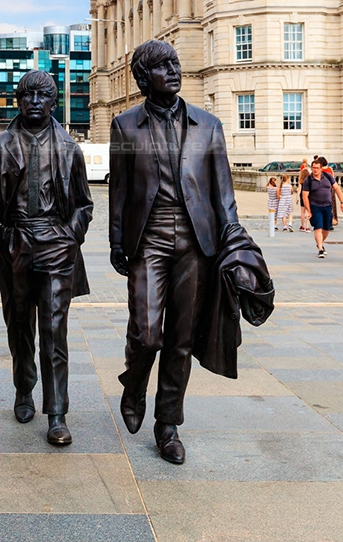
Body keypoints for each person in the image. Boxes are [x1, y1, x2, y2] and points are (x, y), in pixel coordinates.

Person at [109, 40, 239, 465]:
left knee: (181, 338)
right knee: (147, 333)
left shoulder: (209, 125)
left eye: (175, 63)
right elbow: (120, 191)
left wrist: (232, 241)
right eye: (163, 66)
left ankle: (168, 425)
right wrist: (116, 241)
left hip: (196, 242)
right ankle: (134, 383)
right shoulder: (126, 125)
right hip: (149, 238)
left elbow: (223, 193)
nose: (174, 70)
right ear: (145, 78)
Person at [0, 70, 93, 446]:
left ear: (53, 102)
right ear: (17, 101)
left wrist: (70, 236)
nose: (35, 102)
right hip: (15, 241)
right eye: (27, 96)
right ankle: (24, 386)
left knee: (54, 330)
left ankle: (57, 412)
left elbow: (83, 204)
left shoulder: (69, 149)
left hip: (56, 242)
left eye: (43, 96)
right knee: (19, 325)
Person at [301, 159, 343, 258]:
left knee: (326, 228)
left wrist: (342, 202)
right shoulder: (308, 180)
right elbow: (305, 196)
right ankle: (320, 249)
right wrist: (308, 211)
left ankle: (320, 242)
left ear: (321, 168)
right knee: (318, 227)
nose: (315, 170)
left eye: (317, 168)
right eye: (313, 168)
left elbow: (337, 188)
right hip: (315, 206)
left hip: (327, 206)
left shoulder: (328, 177)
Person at [298, 167, 311, 231]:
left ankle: (302, 226)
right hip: (309, 196)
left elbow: (299, 191)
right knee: (308, 211)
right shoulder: (310, 181)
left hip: (302, 196)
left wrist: (297, 198)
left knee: (302, 212)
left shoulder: (301, 182)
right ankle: (307, 226)